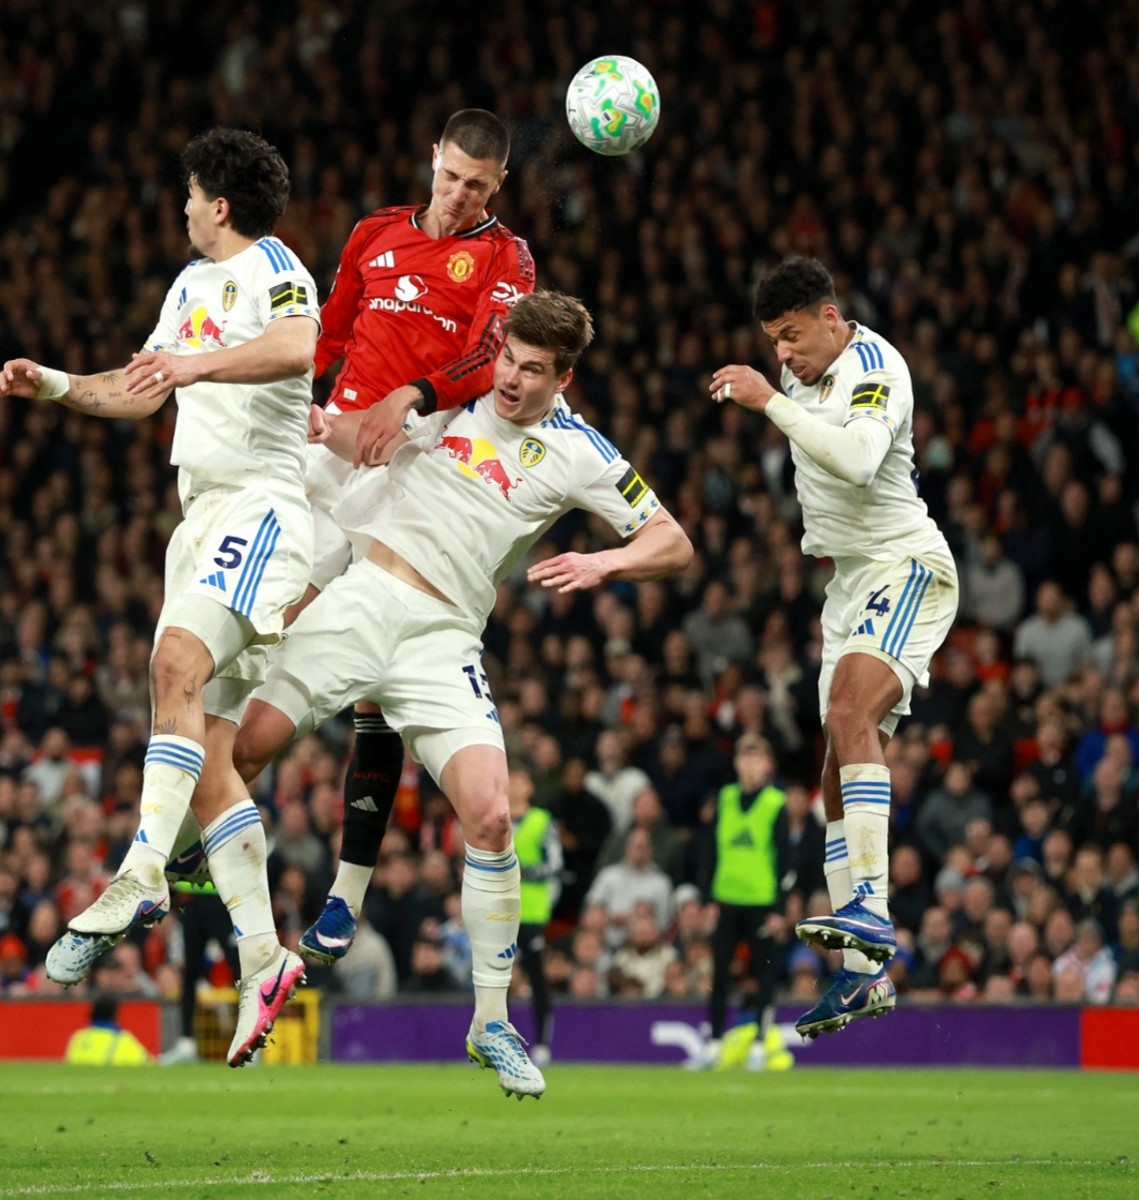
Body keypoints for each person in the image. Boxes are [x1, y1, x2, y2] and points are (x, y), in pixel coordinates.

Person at [231, 291, 694, 1098]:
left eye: (534, 370)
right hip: (363, 599)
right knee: (241, 751)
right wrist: (321, 427)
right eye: (509, 358)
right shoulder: (451, 392)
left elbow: (672, 540)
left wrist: (603, 563)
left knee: (491, 815)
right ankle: (229, 930)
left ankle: (490, 1023)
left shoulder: (580, 451)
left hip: (445, 641)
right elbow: (361, 434)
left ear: (565, 377)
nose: (512, 380)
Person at [0, 128, 319, 1067]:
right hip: (202, 518)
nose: (181, 208)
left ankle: (140, 875)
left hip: (261, 504)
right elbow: (141, 390)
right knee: (209, 759)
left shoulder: (275, 269)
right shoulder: (187, 289)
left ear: (220, 201)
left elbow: (300, 348)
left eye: (189, 194)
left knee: (169, 664)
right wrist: (52, 383)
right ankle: (263, 956)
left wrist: (194, 367)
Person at [297, 108, 538, 967]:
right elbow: (328, 329)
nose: (460, 196)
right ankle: (208, 828)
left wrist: (414, 399)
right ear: (431, 159)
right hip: (331, 452)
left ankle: (345, 896)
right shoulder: (373, 235)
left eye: (478, 185)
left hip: (413, 465)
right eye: (451, 177)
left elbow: (488, 358)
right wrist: (307, 400)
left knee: (378, 679)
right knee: (258, 622)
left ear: (498, 184)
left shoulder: (506, 258)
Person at [710, 257, 959, 1037]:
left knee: (851, 715)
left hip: (905, 562)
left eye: (792, 337)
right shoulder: (805, 377)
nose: (784, 355)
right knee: (830, 772)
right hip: (850, 584)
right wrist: (782, 394)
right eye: (774, 345)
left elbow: (855, 460)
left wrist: (769, 402)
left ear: (829, 315)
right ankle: (862, 979)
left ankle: (872, 912)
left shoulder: (875, 366)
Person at [687, 732, 788, 1070]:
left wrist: (779, 907)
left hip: (761, 900)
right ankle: (715, 1043)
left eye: (757, 758)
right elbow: (710, 850)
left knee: (764, 974)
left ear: (768, 765)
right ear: (736, 763)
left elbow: (786, 857)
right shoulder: (726, 799)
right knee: (719, 973)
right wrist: (707, 898)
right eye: (745, 757)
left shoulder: (776, 803)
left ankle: (760, 1044)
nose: (750, 764)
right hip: (726, 899)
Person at [509, 767, 560, 1065]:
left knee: (537, 978)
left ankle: (541, 1043)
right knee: (496, 978)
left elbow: (555, 863)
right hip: (501, 910)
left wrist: (522, 871)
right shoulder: (496, 815)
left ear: (529, 787)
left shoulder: (541, 821)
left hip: (533, 910)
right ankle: (493, 1039)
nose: (513, 786)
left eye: (519, 779)